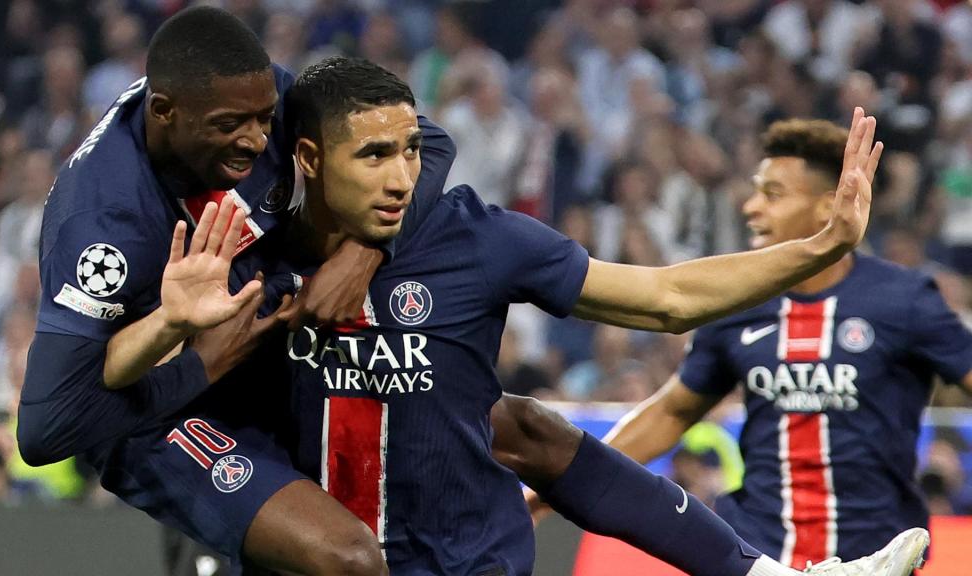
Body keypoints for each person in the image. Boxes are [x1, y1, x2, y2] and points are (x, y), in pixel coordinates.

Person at [204, 56, 925, 576]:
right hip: (314, 556)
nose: (400, 178)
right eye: (372, 156)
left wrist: (822, 246)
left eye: (411, 152)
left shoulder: (478, 238)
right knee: (519, 425)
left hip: (469, 562)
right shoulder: (248, 262)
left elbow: (668, 298)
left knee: (525, 425)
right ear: (308, 157)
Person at [17, 7, 457, 575]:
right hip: (164, 411)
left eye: (264, 120)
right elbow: (46, 429)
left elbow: (431, 145)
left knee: (485, 423)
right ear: (164, 113)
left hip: (263, 344)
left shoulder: (257, 94)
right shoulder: (104, 228)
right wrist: (192, 361)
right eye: (231, 126)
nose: (255, 141)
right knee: (349, 558)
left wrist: (364, 253)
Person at [532, 119, 972, 570]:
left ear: (828, 207)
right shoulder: (736, 302)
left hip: (881, 555)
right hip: (758, 554)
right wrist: (561, 484)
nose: (751, 207)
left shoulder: (906, 300)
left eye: (773, 194)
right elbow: (671, 411)